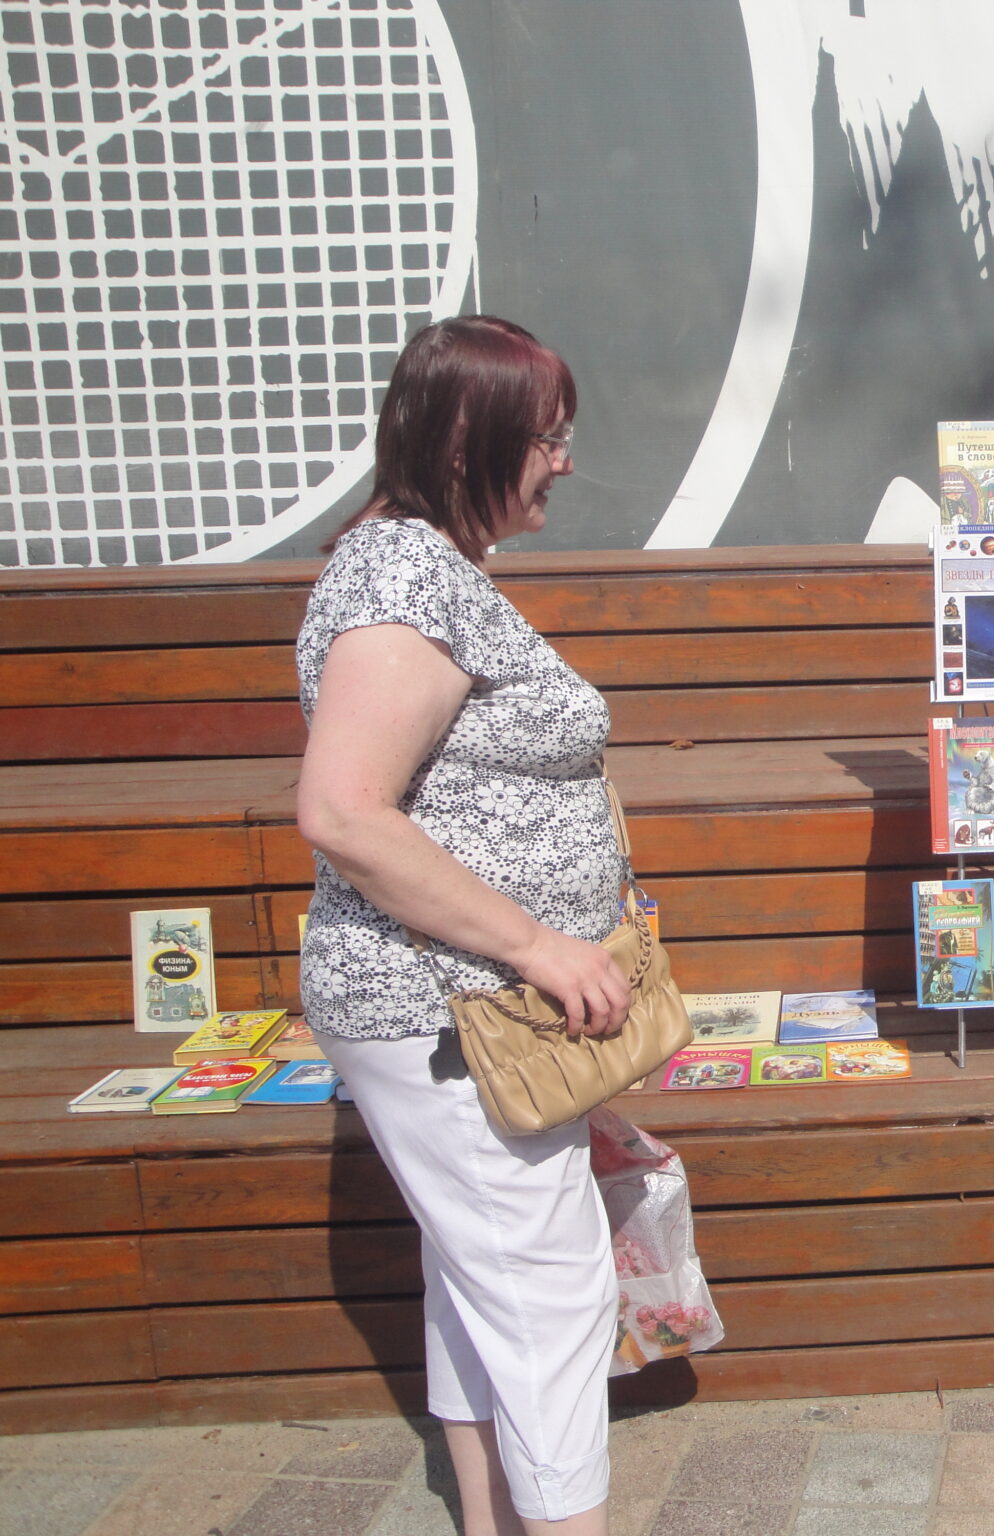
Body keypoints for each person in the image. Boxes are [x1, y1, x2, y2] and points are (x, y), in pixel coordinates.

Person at [295, 316, 628, 1536]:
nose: (564, 461)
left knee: (485, 1284)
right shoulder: (401, 582)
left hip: (474, 1016)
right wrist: (539, 945)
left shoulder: (423, 567)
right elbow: (344, 810)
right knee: (548, 1299)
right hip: (451, 1012)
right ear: (461, 441)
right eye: (546, 437)